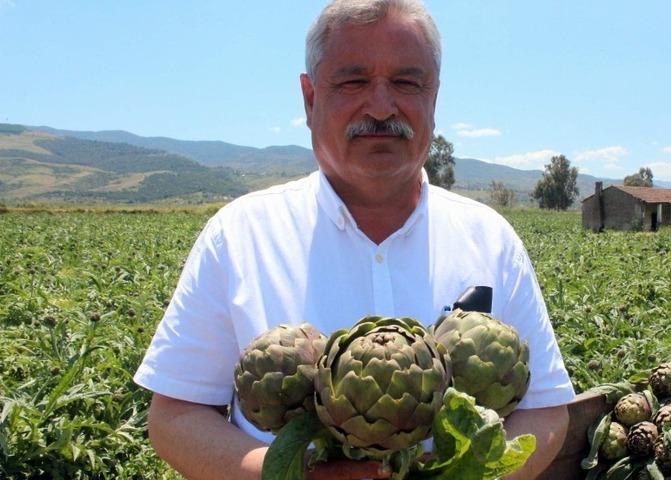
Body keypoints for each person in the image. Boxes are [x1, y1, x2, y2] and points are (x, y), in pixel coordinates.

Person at [133, 1, 576, 479]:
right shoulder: (238, 235)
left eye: (407, 82)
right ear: (309, 98)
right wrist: (290, 473)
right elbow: (176, 416)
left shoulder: (492, 240)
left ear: (434, 97)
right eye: (353, 81)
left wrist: (463, 474)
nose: (382, 106)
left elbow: (545, 411)